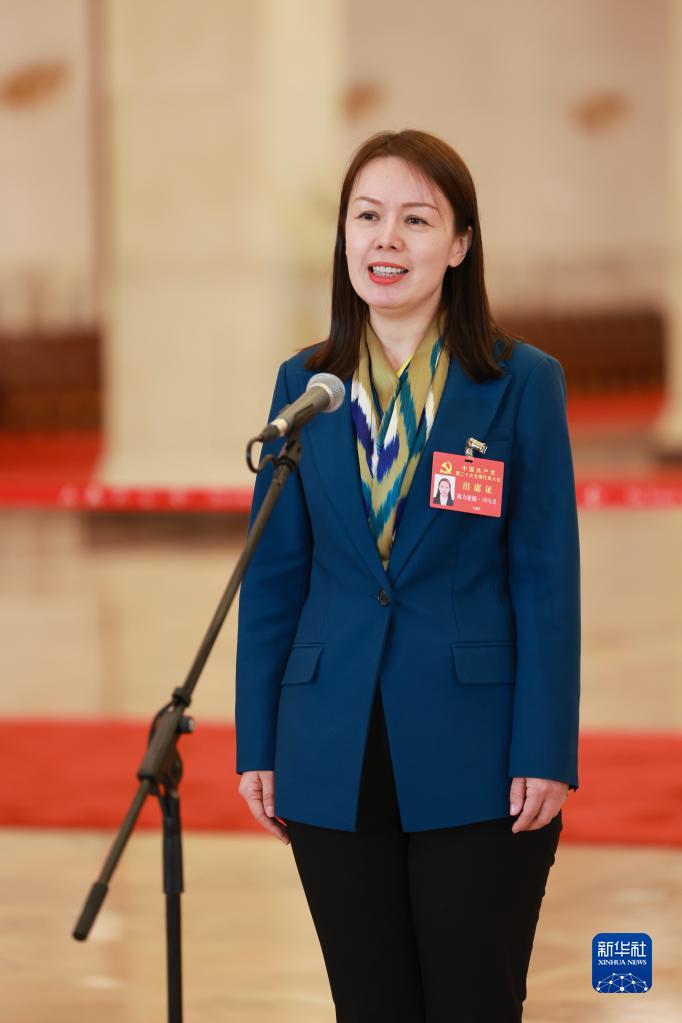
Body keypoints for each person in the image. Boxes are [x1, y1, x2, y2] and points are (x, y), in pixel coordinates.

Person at [235, 129, 580, 1023]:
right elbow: (274, 577)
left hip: (479, 748)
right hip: (330, 741)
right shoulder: (307, 386)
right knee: (370, 1003)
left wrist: (546, 747)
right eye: (368, 216)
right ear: (344, 236)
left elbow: (546, 580)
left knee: (474, 999)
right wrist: (258, 740)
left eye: (416, 220)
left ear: (460, 244)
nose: (386, 239)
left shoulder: (518, 383)